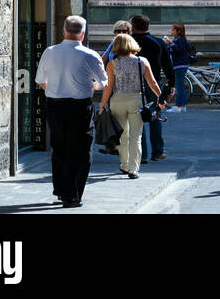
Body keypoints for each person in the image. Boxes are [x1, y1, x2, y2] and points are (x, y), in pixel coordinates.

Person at [35, 14, 107, 208]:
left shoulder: (50, 52)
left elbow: (41, 80)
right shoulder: (90, 55)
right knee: (81, 150)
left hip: (54, 104)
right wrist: (90, 86)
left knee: (59, 148)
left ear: (64, 31)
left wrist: (55, 89)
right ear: (82, 33)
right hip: (79, 107)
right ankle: (72, 194)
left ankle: (61, 189)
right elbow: (102, 83)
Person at [98, 32, 162, 179]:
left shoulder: (112, 63)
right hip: (136, 100)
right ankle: (134, 169)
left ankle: (125, 165)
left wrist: (102, 105)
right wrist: (160, 97)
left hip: (117, 100)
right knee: (136, 136)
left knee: (121, 135)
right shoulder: (142, 61)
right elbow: (152, 83)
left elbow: (108, 87)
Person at [131, 13, 174, 161]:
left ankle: (141, 154)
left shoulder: (128, 42)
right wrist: (171, 86)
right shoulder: (158, 42)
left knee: (137, 118)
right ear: (148, 26)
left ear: (133, 26)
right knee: (156, 115)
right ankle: (158, 151)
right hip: (154, 82)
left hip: (133, 84)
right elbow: (168, 66)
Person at [163, 22, 195, 113]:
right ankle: (182, 106)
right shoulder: (178, 39)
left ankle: (178, 106)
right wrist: (168, 44)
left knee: (179, 86)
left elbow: (179, 50)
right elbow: (174, 50)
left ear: (178, 31)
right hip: (179, 65)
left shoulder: (181, 40)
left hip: (180, 65)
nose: (171, 31)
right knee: (180, 86)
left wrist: (170, 43)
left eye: (173, 29)